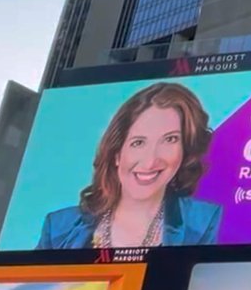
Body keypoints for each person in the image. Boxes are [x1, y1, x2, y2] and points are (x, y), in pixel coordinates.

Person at [38, 82, 222, 249]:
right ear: (116, 153)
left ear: (185, 150)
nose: (151, 161)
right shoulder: (58, 228)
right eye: (138, 142)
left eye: (170, 139)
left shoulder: (203, 222)